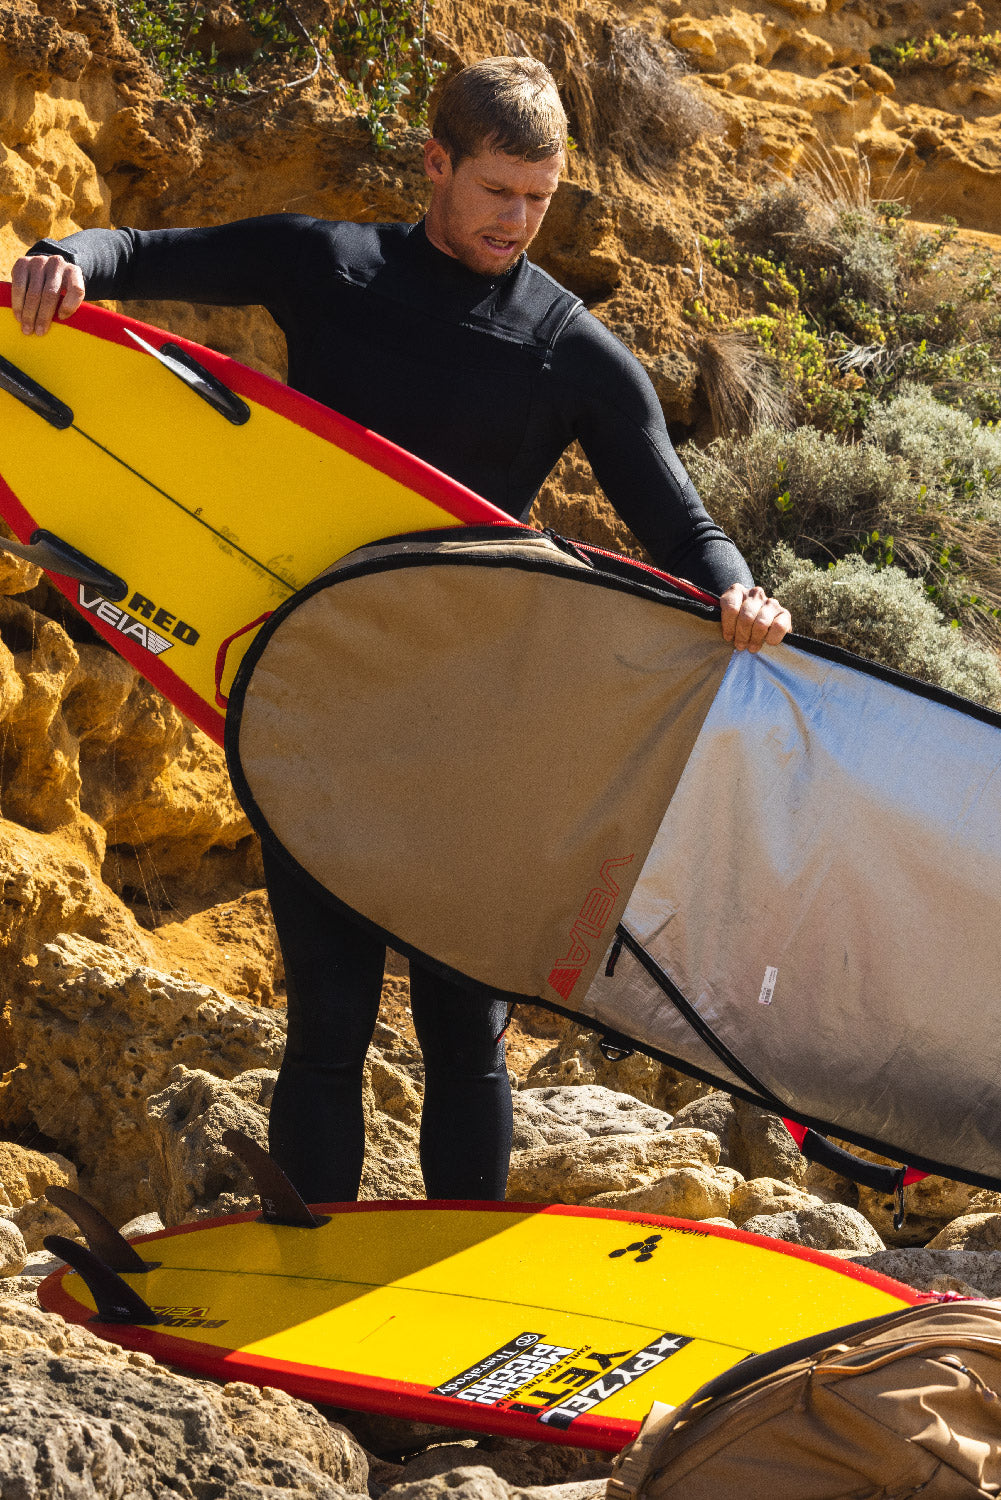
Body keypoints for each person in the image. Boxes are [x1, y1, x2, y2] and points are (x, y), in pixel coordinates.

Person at [10, 55, 791, 1206]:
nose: (520, 224)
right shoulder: (332, 267)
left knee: (459, 1023)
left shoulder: (567, 350)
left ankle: (445, 1270)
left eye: (540, 199)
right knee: (325, 1014)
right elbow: (141, 251)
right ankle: (312, 1260)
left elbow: (675, 516)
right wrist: (64, 261)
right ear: (436, 164)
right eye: (498, 195)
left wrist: (736, 590)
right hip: (316, 694)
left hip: (471, 718)